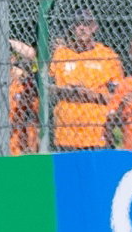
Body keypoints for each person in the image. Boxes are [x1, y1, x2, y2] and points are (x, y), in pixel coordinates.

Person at [48, 11, 122, 150]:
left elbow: (118, 96)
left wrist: (89, 94)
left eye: (86, 24)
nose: (82, 28)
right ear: (72, 28)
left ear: (94, 27)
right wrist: (67, 90)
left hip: (96, 134)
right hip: (65, 134)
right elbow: (47, 87)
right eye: (77, 24)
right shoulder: (61, 53)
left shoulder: (107, 55)